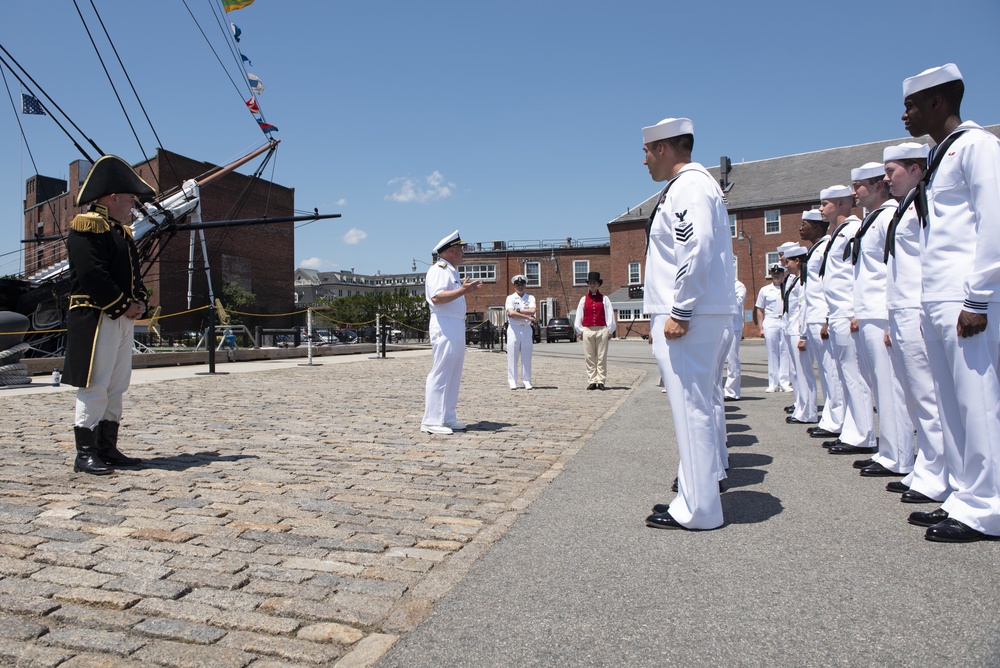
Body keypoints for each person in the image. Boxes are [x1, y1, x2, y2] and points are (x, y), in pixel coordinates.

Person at [898, 64, 1000, 542]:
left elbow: (994, 222)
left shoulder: (978, 147)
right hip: (938, 299)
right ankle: (965, 495)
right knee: (954, 405)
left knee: (979, 404)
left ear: (938, 102)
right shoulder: (945, 153)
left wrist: (977, 297)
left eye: (912, 104)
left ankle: (990, 506)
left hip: (966, 297)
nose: (905, 114)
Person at [638, 117, 736, 532]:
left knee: (691, 409)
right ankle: (694, 497)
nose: (643, 161)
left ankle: (699, 509)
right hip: (694, 312)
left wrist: (680, 310)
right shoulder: (689, 186)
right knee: (692, 408)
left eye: (646, 152)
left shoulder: (690, 187)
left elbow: (695, 247)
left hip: (688, 316)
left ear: (662, 148)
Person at [63, 155, 155, 475]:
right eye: (130, 197)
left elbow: (133, 277)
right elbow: (92, 276)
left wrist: (139, 302)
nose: (133, 203)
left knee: (117, 384)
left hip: (120, 318)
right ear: (113, 197)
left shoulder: (121, 232)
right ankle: (85, 453)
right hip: (96, 316)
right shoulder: (88, 226)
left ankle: (106, 447)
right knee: (96, 384)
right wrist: (122, 305)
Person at [882, 141, 951, 505]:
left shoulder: (925, 201)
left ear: (914, 168)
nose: (886, 180)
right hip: (903, 307)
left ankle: (940, 473)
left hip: (917, 305)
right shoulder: (906, 206)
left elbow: (930, 257)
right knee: (916, 396)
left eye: (892, 172)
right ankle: (929, 467)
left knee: (930, 396)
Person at [848, 161, 913, 478]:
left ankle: (898, 456)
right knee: (881, 388)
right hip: (869, 312)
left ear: (876, 185)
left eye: (858, 185)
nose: (854, 193)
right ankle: (889, 451)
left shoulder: (889, 217)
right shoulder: (873, 219)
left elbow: (893, 268)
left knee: (891, 389)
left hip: (881, 312)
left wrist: (890, 318)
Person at [818, 185, 875, 456]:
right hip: (837, 312)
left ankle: (862, 435)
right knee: (847, 376)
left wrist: (855, 312)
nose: (821, 209)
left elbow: (857, 272)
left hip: (848, 311)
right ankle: (852, 431)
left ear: (841, 204)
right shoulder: (838, 233)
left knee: (856, 378)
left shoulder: (852, 230)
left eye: (825, 203)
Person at [421, 230, 482, 435]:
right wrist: (464, 291)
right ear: (452, 250)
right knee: (441, 371)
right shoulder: (438, 269)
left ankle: (447, 417)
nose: (464, 252)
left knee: (454, 372)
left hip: (455, 323)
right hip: (444, 324)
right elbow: (437, 298)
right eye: (461, 249)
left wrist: (464, 289)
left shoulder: (451, 271)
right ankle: (431, 420)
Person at [798, 210, 845, 439]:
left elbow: (830, 284)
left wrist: (827, 318)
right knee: (825, 373)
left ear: (817, 227)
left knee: (831, 371)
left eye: (804, 224)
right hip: (813, 316)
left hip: (822, 317)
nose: (800, 228)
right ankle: (830, 415)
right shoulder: (814, 249)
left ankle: (837, 420)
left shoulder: (826, 247)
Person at [781, 244, 815, 424]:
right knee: (796, 372)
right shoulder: (794, 279)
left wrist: (803, 335)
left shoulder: (804, 280)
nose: (786, 265)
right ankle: (801, 407)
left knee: (803, 373)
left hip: (798, 330)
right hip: (791, 328)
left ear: (798, 261)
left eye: (789, 262)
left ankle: (808, 412)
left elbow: (804, 309)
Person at [573, 271, 615, 390]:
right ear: (588, 284)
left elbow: (609, 314)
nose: (592, 285)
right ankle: (592, 380)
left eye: (594, 283)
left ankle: (601, 380)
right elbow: (579, 316)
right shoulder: (583, 300)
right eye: (590, 283)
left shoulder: (605, 299)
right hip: (588, 329)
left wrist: (610, 330)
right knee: (589, 356)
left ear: (598, 284)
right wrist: (580, 331)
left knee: (601, 356)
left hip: (602, 329)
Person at [755, 264, 788, 393]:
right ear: (771, 275)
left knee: (785, 352)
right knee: (772, 352)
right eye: (774, 274)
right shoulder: (765, 290)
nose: (776, 275)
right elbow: (759, 309)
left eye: (779, 273)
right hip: (771, 321)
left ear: (783, 274)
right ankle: (773, 383)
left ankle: (784, 382)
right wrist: (760, 327)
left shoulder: (787, 288)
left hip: (785, 320)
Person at [505, 274, 536, 390]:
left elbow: (532, 310)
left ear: (525, 285)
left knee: (527, 356)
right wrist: (527, 316)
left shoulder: (530, 298)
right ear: (514, 287)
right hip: (514, 329)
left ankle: (527, 380)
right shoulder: (510, 298)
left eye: (522, 284)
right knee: (512, 355)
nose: (520, 287)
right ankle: (512, 381)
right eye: (518, 285)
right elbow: (511, 313)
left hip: (526, 329)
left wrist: (518, 311)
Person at [724, 262, 746, 401]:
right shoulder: (720, 285)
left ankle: (732, 391)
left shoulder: (739, 286)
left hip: (733, 325)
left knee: (732, 359)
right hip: (719, 326)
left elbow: (736, 304)